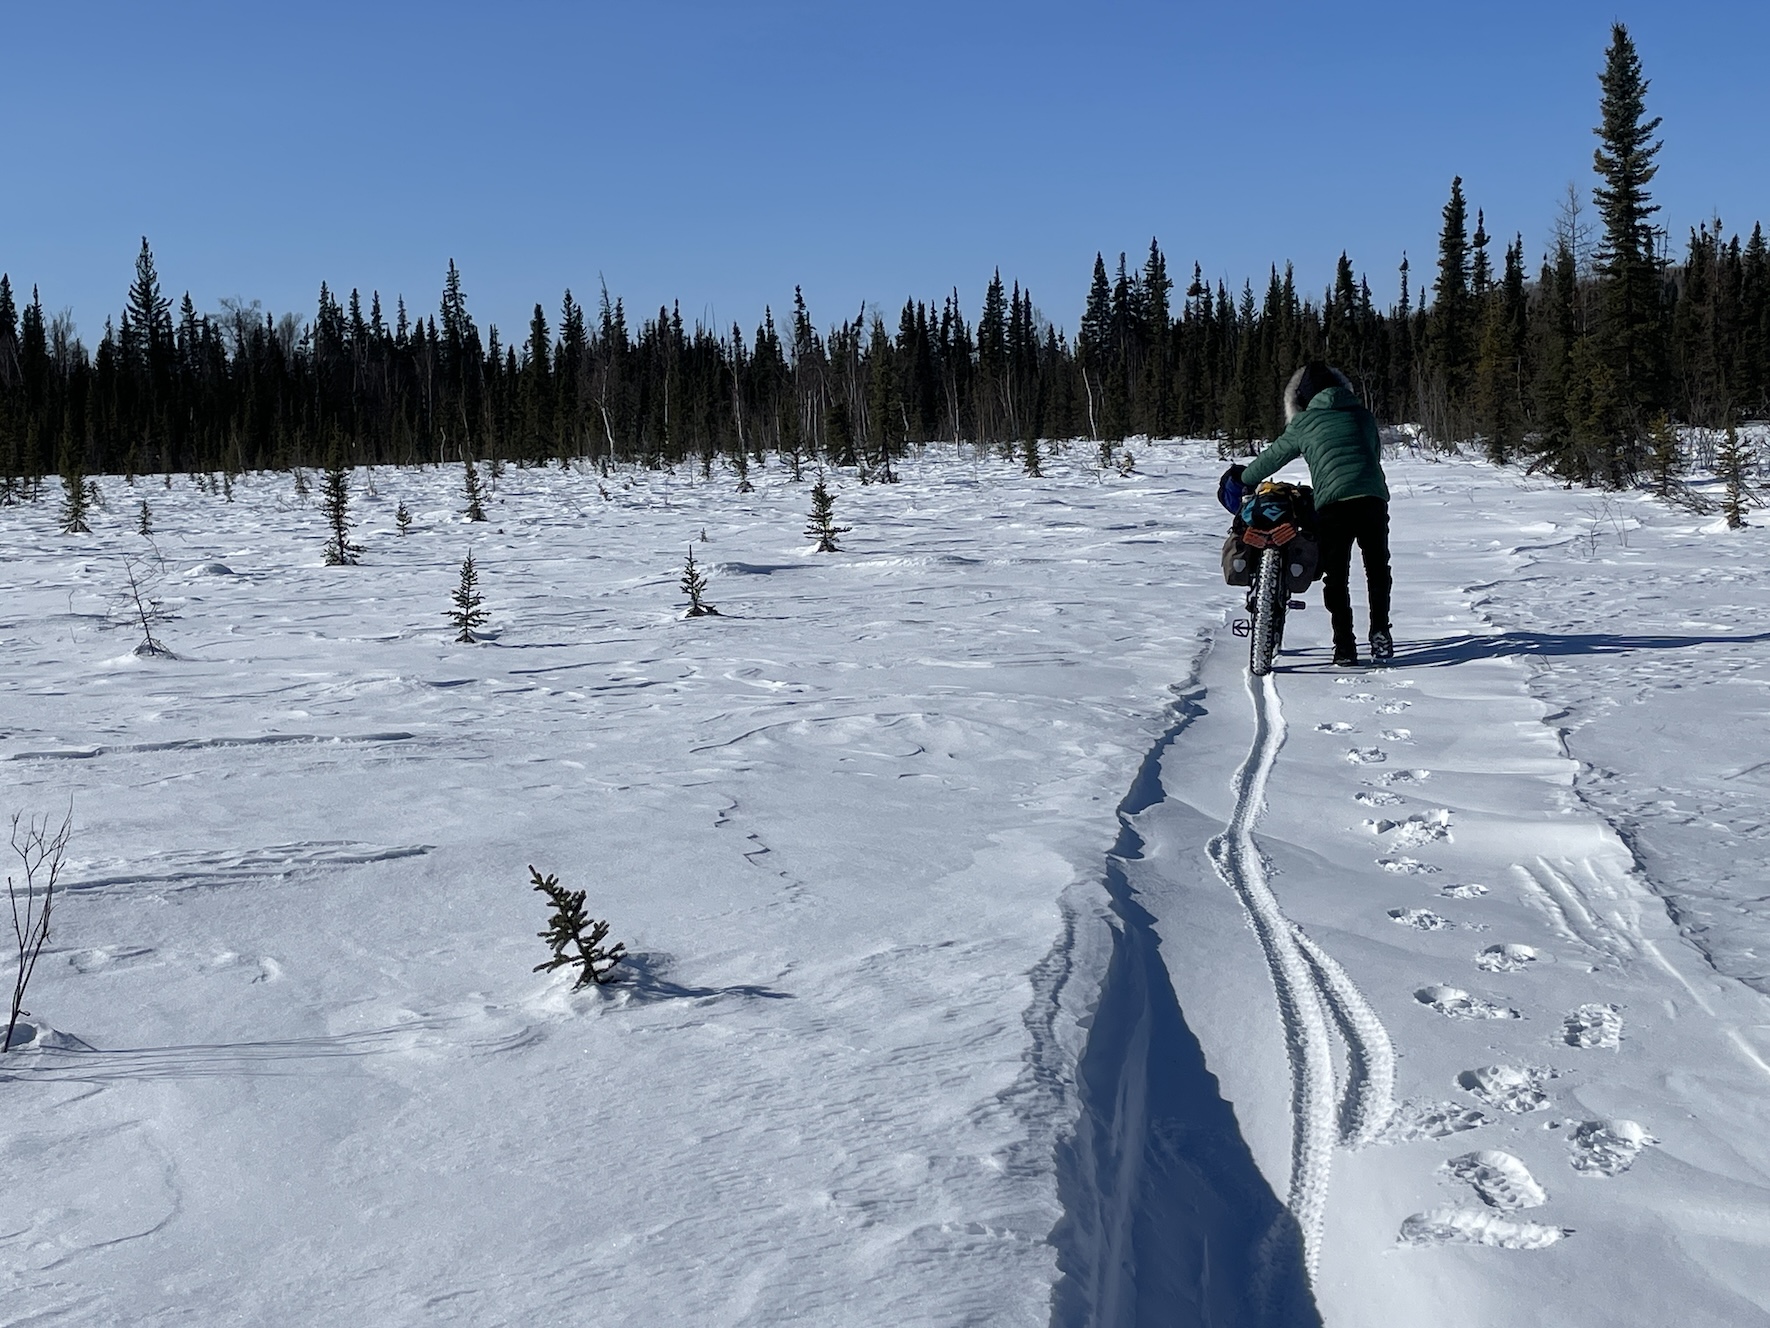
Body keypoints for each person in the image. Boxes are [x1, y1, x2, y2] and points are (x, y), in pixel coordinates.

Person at [1221, 362, 1392, 667]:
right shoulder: (1363, 416)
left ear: (1305, 398)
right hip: (1372, 498)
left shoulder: (1306, 422)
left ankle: (1344, 647)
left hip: (1333, 502)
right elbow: (1373, 453)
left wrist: (1245, 478)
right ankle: (1380, 632)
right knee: (1377, 568)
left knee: (1337, 575)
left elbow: (1274, 457)